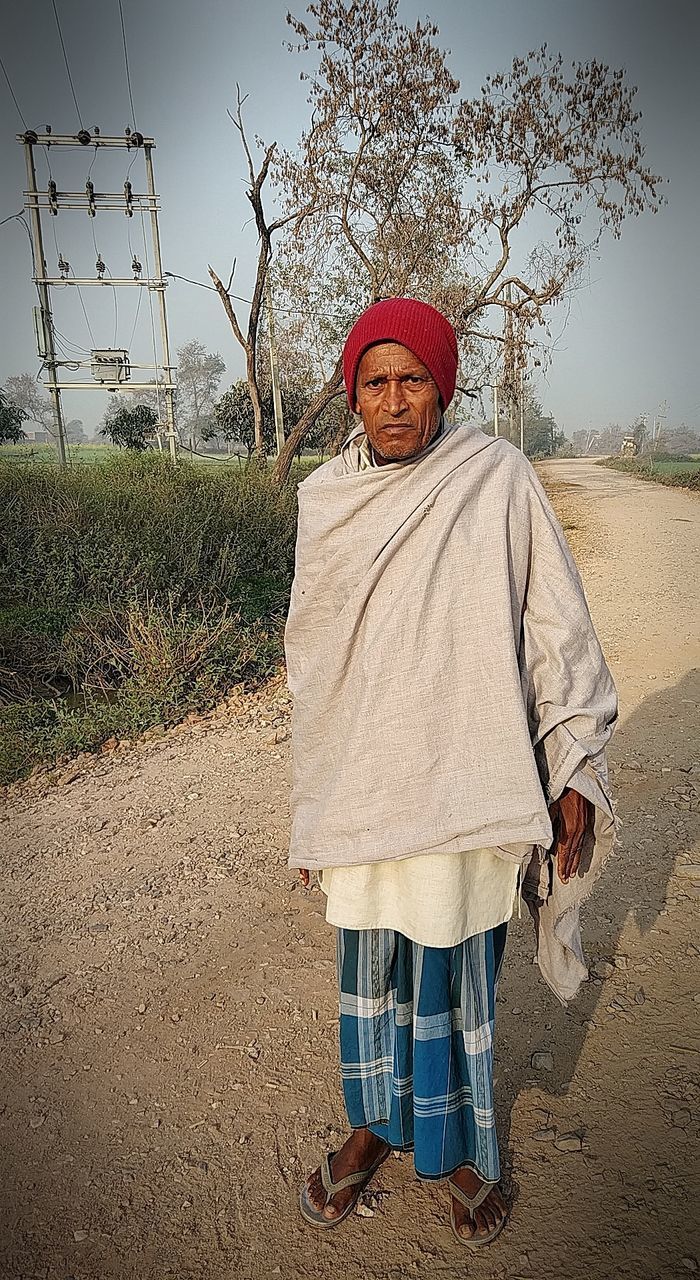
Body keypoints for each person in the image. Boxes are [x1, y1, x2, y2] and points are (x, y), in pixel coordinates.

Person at [285, 298, 617, 1247]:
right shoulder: (327, 501)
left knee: (457, 970)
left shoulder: (496, 478)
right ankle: (372, 1126)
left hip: (469, 779)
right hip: (366, 789)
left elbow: (556, 623)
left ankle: (463, 1146)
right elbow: (315, 658)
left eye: (413, 380)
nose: (394, 402)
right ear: (355, 395)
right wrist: (313, 800)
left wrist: (572, 766)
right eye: (375, 383)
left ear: (445, 387)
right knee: (371, 970)